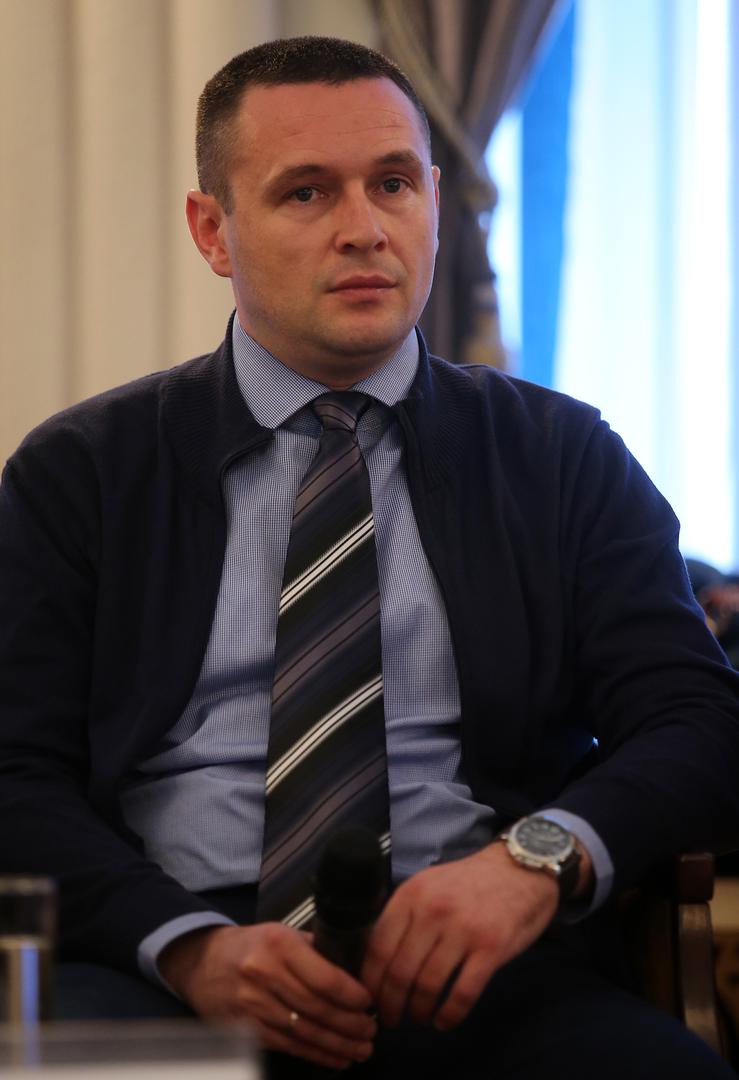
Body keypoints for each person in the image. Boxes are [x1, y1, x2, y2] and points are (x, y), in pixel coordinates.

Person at [1, 35, 738, 1080]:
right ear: (212, 230)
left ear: (432, 197)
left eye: (392, 183)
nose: (363, 229)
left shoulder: (559, 455)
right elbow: (14, 769)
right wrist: (184, 944)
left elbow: (698, 721)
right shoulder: (82, 471)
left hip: (474, 955)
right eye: (305, 193)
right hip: (163, 958)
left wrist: (535, 861)